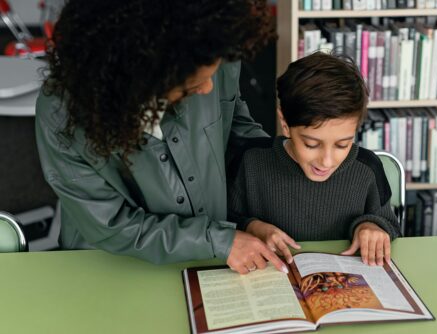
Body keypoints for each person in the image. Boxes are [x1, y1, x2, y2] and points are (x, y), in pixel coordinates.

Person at [35, 0, 287, 275]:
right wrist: (217, 240)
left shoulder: (212, 45)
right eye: (192, 85)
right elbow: (112, 225)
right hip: (110, 267)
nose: (208, 88)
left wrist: (289, 165)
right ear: (144, 76)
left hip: (217, 259)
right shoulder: (63, 117)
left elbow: (236, 127)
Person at [228, 52, 401, 268]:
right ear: (285, 122)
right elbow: (225, 222)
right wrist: (252, 227)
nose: (326, 161)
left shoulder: (367, 168)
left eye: (342, 144)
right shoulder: (250, 161)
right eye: (311, 144)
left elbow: (390, 225)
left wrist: (371, 226)